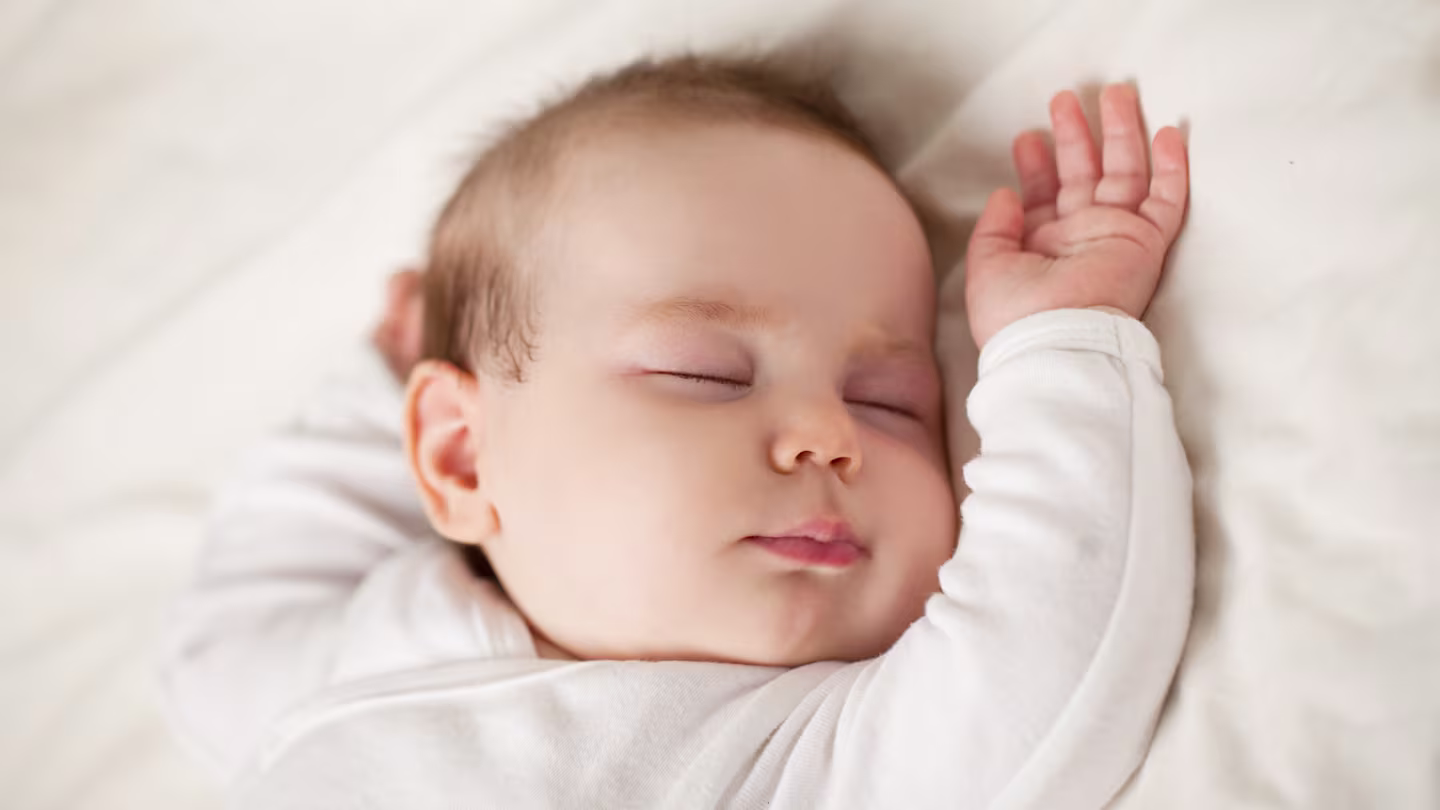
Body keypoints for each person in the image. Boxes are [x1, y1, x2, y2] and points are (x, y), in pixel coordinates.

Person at [157, 54, 1194, 808]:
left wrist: (1058, 348)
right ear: (461, 454)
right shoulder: (372, 651)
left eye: (891, 401)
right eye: (705, 375)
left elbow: (1044, 666)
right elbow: (221, 642)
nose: (826, 435)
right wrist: (376, 389)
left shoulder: (803, 749)